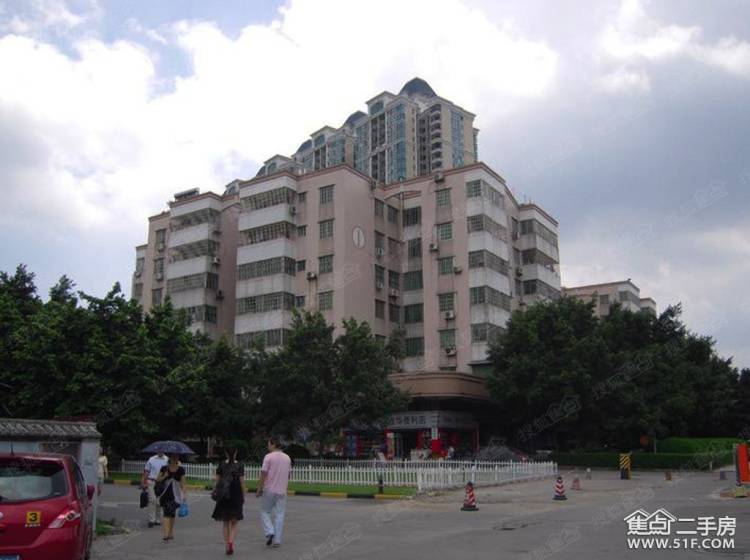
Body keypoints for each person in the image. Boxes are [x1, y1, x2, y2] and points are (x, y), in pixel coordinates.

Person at [257, 436, 291, 548]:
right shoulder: (287, 458)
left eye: (268, 444)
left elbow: (263, 473)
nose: (268, 447)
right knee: (280, 514)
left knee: (264, 511)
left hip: (269, 490)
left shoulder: (268, 457)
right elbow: (288, 475)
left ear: (273, 444)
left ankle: (270, 531)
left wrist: (260, 488)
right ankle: (277, 540)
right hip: (282, 491)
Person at [212, 447, 245, 555]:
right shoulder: (239, 465)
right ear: (236, 453)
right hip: (236, 494)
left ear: (226, 454)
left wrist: (215, 491)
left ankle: (227, 545)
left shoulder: (221, 465)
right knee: (234, 522)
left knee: (226, 522)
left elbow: (217, 481)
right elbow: (242, 482)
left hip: (224, 495)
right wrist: (243, 495)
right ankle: (231, 542)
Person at [155, 453, 187, 542]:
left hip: (176, 495)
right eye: (173, 457)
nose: (175, 458)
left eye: (177, 457)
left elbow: (183, 483)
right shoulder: (164, 468)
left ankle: (170, 532)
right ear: (170, 458)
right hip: (165, 494)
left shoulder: (181, 469)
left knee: (172, 514)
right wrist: (164, 476)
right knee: (166, 513)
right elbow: (157, 479)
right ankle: (166, 534)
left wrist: (184, 494)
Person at [141, 451, 168, 528]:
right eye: (159, 449)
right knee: (152, 500)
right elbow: (147, 471)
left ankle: (158, 519)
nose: (160, 451)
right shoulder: (151, 459)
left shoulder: (167, 460)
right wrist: (143, 481)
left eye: (162, 449)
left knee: (159, 501)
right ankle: (151, 520)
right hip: (151, 481)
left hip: (162, 483)